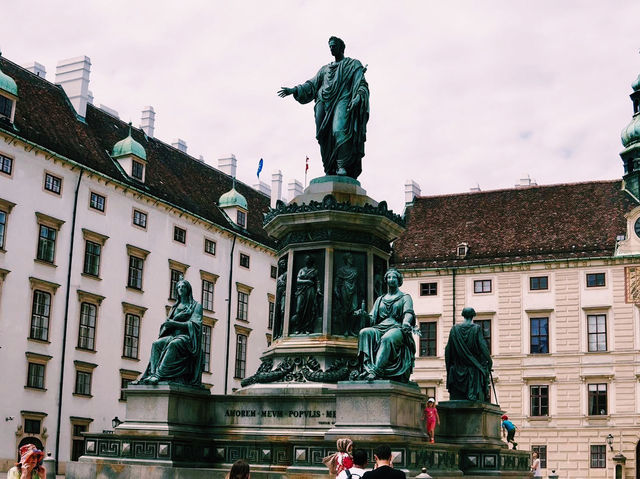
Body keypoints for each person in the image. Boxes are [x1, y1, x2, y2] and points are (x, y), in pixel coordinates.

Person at [278, 36, 369, 179]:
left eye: (334, 46)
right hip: (322, 102)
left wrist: (358, 97)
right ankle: (329, 166)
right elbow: (311, 84)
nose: (331, 48)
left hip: (343, 99)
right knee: (323, 136)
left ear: (341, 47)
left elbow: (361, 84)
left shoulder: (353, 64)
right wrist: (294, 90)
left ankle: (341, 165)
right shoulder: (324, 69)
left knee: (339, 130)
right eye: (330, 46)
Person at [138, 279, 204, 386]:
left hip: (187, 338)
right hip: (173, 335)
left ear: (188, 289)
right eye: (178, 287)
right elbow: (167, 324)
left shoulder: (196, 306)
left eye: (183, 287)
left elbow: (195, 325)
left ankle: (158, 376)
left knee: (174, 344)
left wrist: (174, 323)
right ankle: (153, 374)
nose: (180, 289)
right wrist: (175, 319)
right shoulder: (174, 307)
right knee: (156, 344)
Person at [356, 269, 416, 382]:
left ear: (399, 281)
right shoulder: (380, 299)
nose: (391, 280)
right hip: (380, 327)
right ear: (386, 280)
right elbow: (372, 318)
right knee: (364, 332)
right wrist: (363, 315)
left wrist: (406, 322)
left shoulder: (405, 297)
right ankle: (366, 368)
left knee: (387, 338)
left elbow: (408, 312)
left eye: (394, 278)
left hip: (397, 327)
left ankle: (375, 371)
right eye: (389, 278)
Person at [444, 307, 492, 401]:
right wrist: (489, 361)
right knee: (482, 371)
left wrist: (449, 368)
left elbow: (448, 350)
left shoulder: (454, 329)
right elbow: (483, 347)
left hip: (456, 368)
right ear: (473, 316)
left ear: (463, 315)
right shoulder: (476, 328)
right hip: (473, 368)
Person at [291, 255, 321, 334]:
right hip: (301, 291)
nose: (306, 261)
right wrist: (307, 281)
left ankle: (308, 328)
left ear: (311, 261)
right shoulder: (301, 270)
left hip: (310, 290)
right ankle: (298, 327)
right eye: (306, 259)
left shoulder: (314, 271)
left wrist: (318, 290)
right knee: (298, 309)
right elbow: (298, 280)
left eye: (308, 259)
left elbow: (317, 281)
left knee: (309, 309)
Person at [334, 252, 360, 335]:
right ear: (346, 259)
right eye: (350, 258)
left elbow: (358, 282)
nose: (352, 259)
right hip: (345, 289)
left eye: (352, 258)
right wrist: (336, 290)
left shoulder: (355, 269)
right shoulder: (341, 270)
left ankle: (351, 329)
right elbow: (337, 282)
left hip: (354, 290)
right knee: (345, 310)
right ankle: (345, 329)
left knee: (354, 309)